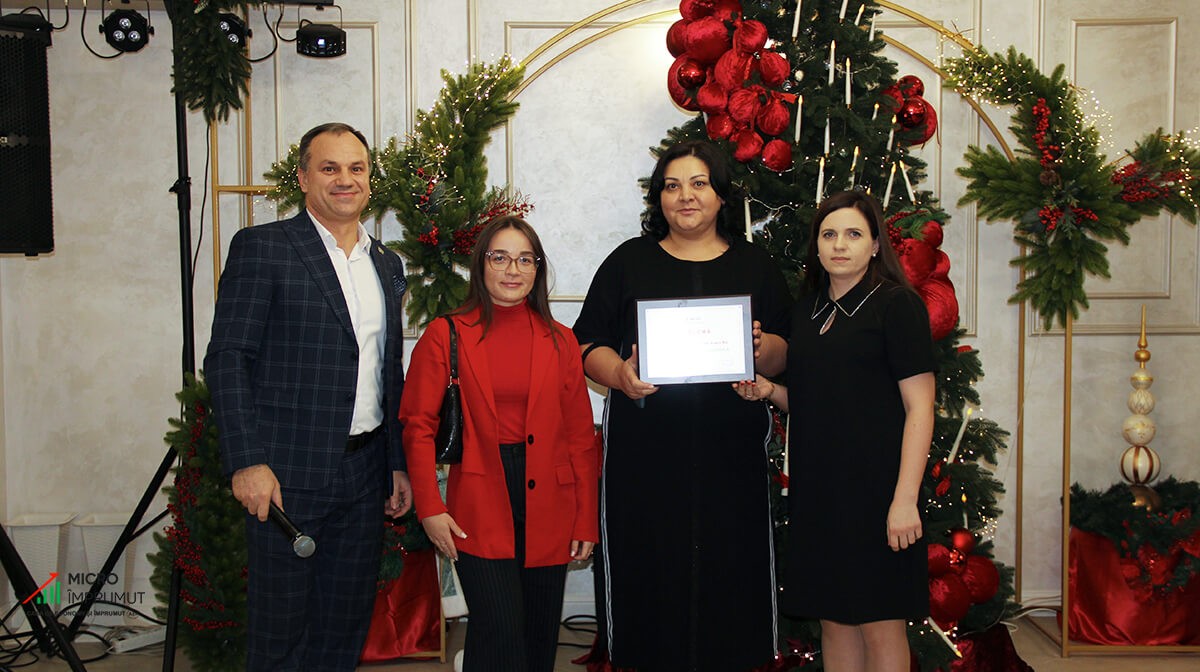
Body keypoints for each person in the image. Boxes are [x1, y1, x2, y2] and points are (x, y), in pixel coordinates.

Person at [573, 140, 792, 671]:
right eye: (672, 186)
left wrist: (761, 348)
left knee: (732, 575)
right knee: (647, 574)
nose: (685, 196)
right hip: (643, 459)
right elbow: (585, 344)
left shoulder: (755, 265)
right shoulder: (628, 262)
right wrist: (620, 376)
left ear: (721, 196)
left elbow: (787, 351)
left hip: (732, 459)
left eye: (699, 184)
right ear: (658, 198)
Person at [204, 122, 412, 671]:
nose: (345, 179)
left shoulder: (386, 264)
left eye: (356, 168)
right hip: (284, 477)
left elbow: (387, 370)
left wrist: (396, 463)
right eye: (329, 168)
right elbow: (228, 358)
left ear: (369, 179)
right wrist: (247, 461)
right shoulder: (264, 248)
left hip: (364, 475)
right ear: (302, 178)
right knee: (280, 634)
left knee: (342, 628)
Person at [737, 190, 935, 672]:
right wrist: (769, 390)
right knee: (834, 622)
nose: (839, 245)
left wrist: (904, 499)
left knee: (880, 623)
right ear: (817, 245)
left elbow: (921, 407)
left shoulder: (897, 306)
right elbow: (812, 402)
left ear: (875, 245)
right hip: (820, 493)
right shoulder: (807, 312)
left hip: (879, 491)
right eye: (828, 234)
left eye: (853, 234)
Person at [399, 215, 598, 672]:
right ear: (481, 264)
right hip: (478, 498)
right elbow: (417, 426)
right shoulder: (445, 334)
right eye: (500, 257)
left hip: (551, 499)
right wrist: (429, 507)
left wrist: (585, 518)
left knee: (538, 637)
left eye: (525, 259)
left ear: (537, 269)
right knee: (500, 630)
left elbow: (580, 438)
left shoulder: (560, 340)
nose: (513, 269)